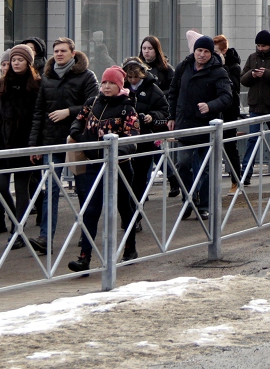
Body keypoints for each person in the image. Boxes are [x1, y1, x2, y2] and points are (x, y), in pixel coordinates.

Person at [28, 37, 99, 254]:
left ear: (72, 53)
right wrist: (34, 144)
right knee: (51, 189)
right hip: (51, 141)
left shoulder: (86, 76)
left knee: (83, 190)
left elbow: (94, 104)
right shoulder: (47, 78)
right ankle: (45, 237)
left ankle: (86, 235)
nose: (59, 54)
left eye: (63, 51)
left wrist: (69, 111)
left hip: (77, 141)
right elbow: (38, 111)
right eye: (56, 51)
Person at [67, 66, 141, 271]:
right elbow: (78, 120)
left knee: (125, 209)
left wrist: (114, 149)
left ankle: (130, 248)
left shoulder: (128, 108)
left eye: (111, 83)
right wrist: (76, 132)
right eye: (104, 82)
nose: (107, 87)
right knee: (90, 210)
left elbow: (133, 137)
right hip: (94, 166)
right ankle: (84, 257)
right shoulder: (92, 103)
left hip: (120, 167)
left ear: (120, 86)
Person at [0, 45, 41, 237]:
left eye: (20, 60)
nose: (15, 63)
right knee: (0, 186)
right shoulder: (1, 84)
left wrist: (35, 144)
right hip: (3, 143)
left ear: (28, 62)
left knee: (22, 189)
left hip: (25, 143)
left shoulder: (36, 85)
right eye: (13, 60)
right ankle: (15, 220)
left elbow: (39, 117)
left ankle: (17, 230)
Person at [167, 35, 232, 221]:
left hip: (207, 126)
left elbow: (227, 97)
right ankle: (188, 199)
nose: (201, 55)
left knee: (205, 168)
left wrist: (210, 106)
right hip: (185, 123)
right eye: (199, 51)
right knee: (183, 163)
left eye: (205, 52)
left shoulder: (218, 71)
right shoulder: (183, 67)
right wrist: (171, 116)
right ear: (194, 51)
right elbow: (173, 93)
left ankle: (203, 205)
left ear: (211, 53)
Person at [123, 57, 170, 224]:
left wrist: (152, 116)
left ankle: (135, 216)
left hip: (144, 140)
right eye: (129, 77)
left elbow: (164, 111)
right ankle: (127, 214)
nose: (133, 80)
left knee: (140, 179)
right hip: (125, 141)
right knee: (125, 179)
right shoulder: (122, 88)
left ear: (143, 74)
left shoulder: (153, 89)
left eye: (136, 77)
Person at [240, 30, 270, 177]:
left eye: (263, 46)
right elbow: (243, 79)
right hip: (255, 106)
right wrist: (252, 74)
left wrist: (266, 74)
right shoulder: (252, 58)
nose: (261, 48)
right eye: (258, 46)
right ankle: (245, 173)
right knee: (252, 140)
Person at [213, 34, 244, 189]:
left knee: (230, 146)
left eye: (216, 52)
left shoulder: (234, 66)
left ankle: (236, 179)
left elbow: (234, 87)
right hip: (215, 111)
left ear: (224, 51)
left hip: (230, 110)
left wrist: (223, 66)